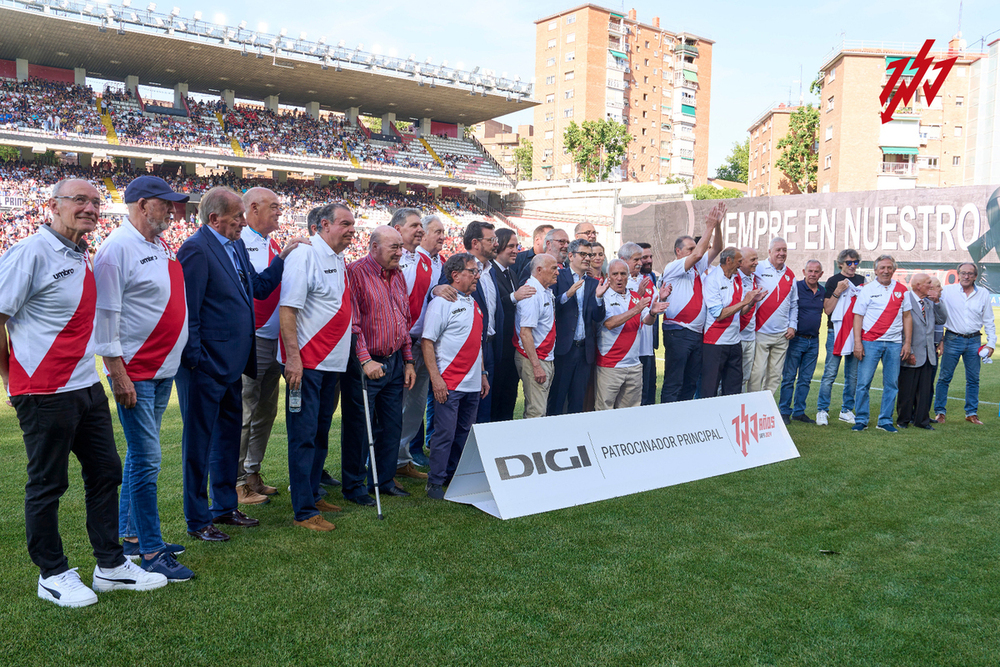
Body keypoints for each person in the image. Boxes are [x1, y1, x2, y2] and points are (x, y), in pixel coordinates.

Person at [0, 178, 167, 607]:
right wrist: (11, 379)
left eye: (96, 201)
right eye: (80, 200)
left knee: (106, 473)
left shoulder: (81, 254)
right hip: (43, 392)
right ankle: (52, 574)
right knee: (48, 484)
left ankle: (110, 566)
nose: (90, 207)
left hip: (86, 386)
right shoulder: (30, 253)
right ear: (52, 206)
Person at [176, 186, 300, 542]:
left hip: (233, 364)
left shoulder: (236, 247)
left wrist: (281, 258)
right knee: (199, 445)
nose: (243, 223)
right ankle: (198, 520)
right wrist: (197, 360)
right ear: (214, 218)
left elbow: (259, 289)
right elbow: (190, 312)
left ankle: (224, 507)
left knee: (228, 440)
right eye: (237, 218)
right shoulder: (196, 249)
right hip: (205, 367)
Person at [94, 175, 193, 582]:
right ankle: (151, 552)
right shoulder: (116, 249)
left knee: (140, 456)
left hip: (160, 369)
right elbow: (106, 319)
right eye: (165, 202)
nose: (172, 209)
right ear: (141, 205)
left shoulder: (154, 243)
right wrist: (118, 373)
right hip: (136, 372)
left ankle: (132, 537)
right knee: (148, 458)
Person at [278, 203, 354, 531]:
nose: (352, 229)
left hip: (332, 365)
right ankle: (303, 511)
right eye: (345, 224)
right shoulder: (304, 255)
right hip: (308, 364)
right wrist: (294, 358)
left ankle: (313, 492)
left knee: (320, 433)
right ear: (324, 225)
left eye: (353, 224)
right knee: (303, 436)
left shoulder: (338, 258)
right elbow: (288, 310)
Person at [342, 225, 417, 506]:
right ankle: (353, 485)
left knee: (391, 424)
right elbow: (354, 323)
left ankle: (384, 480)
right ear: (374, 247)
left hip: (395, 361)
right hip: (367, 363)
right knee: (359, 428)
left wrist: (408, 360)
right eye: (394, 247)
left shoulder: (398, 275)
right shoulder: (356, 273)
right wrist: (364, 360)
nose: (400, 252)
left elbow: (404, 320)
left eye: (401, 247)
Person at [421, 253, 490, 499]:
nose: (477, 276)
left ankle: (453, 476)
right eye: (472, 271)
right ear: (455, 275)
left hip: (472, 383)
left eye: (477, 272)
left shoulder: (475, 304)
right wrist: (436, 378)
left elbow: (477, 344)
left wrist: (482, 373)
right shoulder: (441, 303)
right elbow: (427, 342)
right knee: (445, 434)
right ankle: (435, 482)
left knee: (464, 433)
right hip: (450, 382)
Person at [237, 187, 285, 506]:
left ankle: (253, 472)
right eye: (274, 207)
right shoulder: (240, 243)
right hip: (251, 340)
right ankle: (236, 480)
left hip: (275, 340)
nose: (279, 212)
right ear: (253, 208)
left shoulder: (273, 243)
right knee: (245, 411)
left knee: (266, 411)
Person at [659, 203, 724, 403]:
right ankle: (667, 421)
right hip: (678, 331)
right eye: (690, 248)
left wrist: (718, 226)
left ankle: (683, 421)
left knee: (690, 382)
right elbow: (698, 254)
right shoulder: (674, 267)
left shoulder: (697, 267)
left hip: (696, 333)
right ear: (678, 252)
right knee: (674, 381)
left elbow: (718, 249)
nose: (696, 252)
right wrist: (709, 227)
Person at [398, 213, 444, 468]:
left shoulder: (435, 262)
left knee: (415, 406)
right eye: (437, 231)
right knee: (400, 405)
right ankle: (385, 462)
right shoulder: (409, 261)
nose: (442, 236)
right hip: (406, 343)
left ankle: (402, 459)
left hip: (425, 343)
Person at [852, 255, 912, 433]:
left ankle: (885, 420)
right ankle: (861, 419)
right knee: (863, 383)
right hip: (870, 342)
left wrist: (907, 343)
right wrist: (857, 343)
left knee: (892, 384)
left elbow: (907, 317)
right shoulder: (867, 289)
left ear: (894, 270)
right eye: (882, 268)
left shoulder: (903, 290)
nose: (885, 271)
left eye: (889, 268)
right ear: (876, 270)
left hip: (894, 344)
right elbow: (858, 316)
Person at [596, 259, 667, 409]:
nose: (619, 278)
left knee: (631, 411)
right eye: (615, 274)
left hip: (634, 363)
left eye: (623, 274)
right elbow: (609, 323)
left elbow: (647, 321)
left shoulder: (635, 296)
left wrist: (653, 313)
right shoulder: (604, 296)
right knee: (605, 409)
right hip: (611, 364)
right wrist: (636, 309)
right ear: (608, 276)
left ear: (628, 276)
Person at [549, 239, 607, 415]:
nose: (587, 258)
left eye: (589, 255)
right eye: (583, 254)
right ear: (571, 256)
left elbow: (598, 317)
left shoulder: (593, 283)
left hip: (584, 351)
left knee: (578, 400)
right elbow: (551, 307)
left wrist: (598, 298)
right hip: (563, 349)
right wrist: (567, 294)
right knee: (557, 399)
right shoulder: (559, 276)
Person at [934, 262, 996, 425]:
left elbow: (989, 320)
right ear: (958, 274)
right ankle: (940, 412)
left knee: (973, 379)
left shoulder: (983, 293)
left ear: (975, 276)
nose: (966, 276)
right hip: (952, 339)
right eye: (963, 273)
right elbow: (938, 315)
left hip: (975, 341)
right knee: (944, 378)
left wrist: (991, 343)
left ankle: (971, 413)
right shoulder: (948, 291)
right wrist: (940, 340)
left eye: (970, 273)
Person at [460, 221, 504, 424]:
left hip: (490, 345)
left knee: (486, 401)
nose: (496, 244)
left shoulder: (491, 270)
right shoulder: (459, 267)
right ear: (476, 243)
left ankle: (479, 451)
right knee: (467, 406)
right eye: (491, 239)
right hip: (469, 348)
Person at [702, 247, 761, 397]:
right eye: (739, 261)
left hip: (734, 341)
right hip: (715, 342)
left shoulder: (736, 279)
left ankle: (729, 419)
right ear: (728, 260)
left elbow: (740, 312)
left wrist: (751, 302)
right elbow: (718, 314)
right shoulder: (712, 280)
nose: (741, 265)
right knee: (710, 388)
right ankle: (709, 418)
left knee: (734, 388)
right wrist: (744, 302)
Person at [490, 227, 535, 422]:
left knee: (509, 395)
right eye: (511, 246)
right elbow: (491, 305)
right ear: (498, 246)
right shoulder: (489, 272)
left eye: (517, 246)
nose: (516, 250)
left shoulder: (512, 273)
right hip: (497, 347)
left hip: (512, 346)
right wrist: (513, 297)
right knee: (495, 397)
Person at [816, 249, 864, 425]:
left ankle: (846, 410)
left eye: (856, 262)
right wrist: (837, 291)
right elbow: (827, 309)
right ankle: (822, 410)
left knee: (853, 375)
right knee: (830, 373)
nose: (853, 266)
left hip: (855, 331)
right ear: (841, 264)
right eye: (849, 262)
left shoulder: (861, 281)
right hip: (835, 331)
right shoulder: (833, 280)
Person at [897, 273, 948, 430]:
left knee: (925, 390)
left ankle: (921, 421)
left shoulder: (929, 302)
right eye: (928, 284)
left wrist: (938, 301)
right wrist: (909, 350)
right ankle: (903, 420)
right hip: (910, 351)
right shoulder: (905, 299)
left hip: (928, 354)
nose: (931, 287)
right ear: (918, 285)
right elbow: (901, 328)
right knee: (907, 390)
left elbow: (942, 320)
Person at [778, 260, 825, 424]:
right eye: (810, 271)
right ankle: (784, 411)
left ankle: (799, 412)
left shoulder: (822, 291)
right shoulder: (795, 287)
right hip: (796, 339)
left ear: (821, 274)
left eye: (816, 271)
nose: (813, 274)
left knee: (805, 379)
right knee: (789, 377)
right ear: (804, 272)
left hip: (814, 341)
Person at [751, 237, 798, 395]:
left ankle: (766, 408)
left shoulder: (790, 275)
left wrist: (792, 326)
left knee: (775, 376)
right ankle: (752, 408)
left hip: (782, 335)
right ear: (769, 251)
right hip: (760, 331)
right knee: (756, 374)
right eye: (778, 250)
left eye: (784, 250)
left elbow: (794, 304)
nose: (781, 253)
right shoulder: (758, 269)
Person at [515, 253, 559, 418]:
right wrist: (536, 366)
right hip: (535, 358)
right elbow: (525, 333)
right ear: (539, 270)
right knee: (536, 411)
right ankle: (530, 443)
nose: (557, 272)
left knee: (540, 408)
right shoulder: (532, 294)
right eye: (554, 268)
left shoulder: (544, 290)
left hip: (544, 356)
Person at [635, 242, 659, 405]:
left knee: (650, 390)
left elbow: (655, 309)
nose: (648, 261)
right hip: (634, 348)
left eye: (650, 257)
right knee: (637, 395)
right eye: (644, 258)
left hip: (648, 345)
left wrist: (662, 298)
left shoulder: (650, 279)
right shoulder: (624, 281)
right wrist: (638, 295)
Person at [737, 247, 760, 393]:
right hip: (735, 336)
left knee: (744, 378)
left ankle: (738, 412)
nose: (756, 263)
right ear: (741, 261)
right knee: (729, 378)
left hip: (750, 336)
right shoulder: (733, 278)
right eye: (753, 259)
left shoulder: (754, 278)